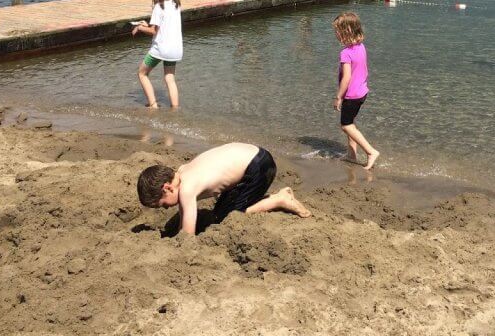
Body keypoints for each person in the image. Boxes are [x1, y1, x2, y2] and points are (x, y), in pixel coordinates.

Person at [137, 142, 311, 235]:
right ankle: (274, 198)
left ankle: (279, 199)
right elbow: (184, 212)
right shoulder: (182, 172)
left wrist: (179, 237)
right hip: (255, 154)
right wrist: (177, 230)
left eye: (163, 204)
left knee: (227, 217)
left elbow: (188, 235)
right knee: (218, 212)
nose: (167, 208)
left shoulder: (187, 189)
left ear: (167, 188)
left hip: (259, 167)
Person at [333, 12, 380, 170]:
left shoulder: (345, 53)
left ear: (346, 32)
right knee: (350, 123)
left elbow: (347, 77)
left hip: (351, 95)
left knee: (346, 125)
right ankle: (351, 154)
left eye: (337, 31)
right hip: (362, 92)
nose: (335, 35)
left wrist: (339, 97)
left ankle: (370, 152)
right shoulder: (360, 47)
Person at [131, 0, 183, 108]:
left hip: (161, 49)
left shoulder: (158, 7)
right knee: (170, 78)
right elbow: (163, 26)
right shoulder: (175, 4)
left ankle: (153, 105)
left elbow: (154, 31)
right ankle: (175, 109)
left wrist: (140, 28)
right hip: (175, 49)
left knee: (142, 73)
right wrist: (147, 24)